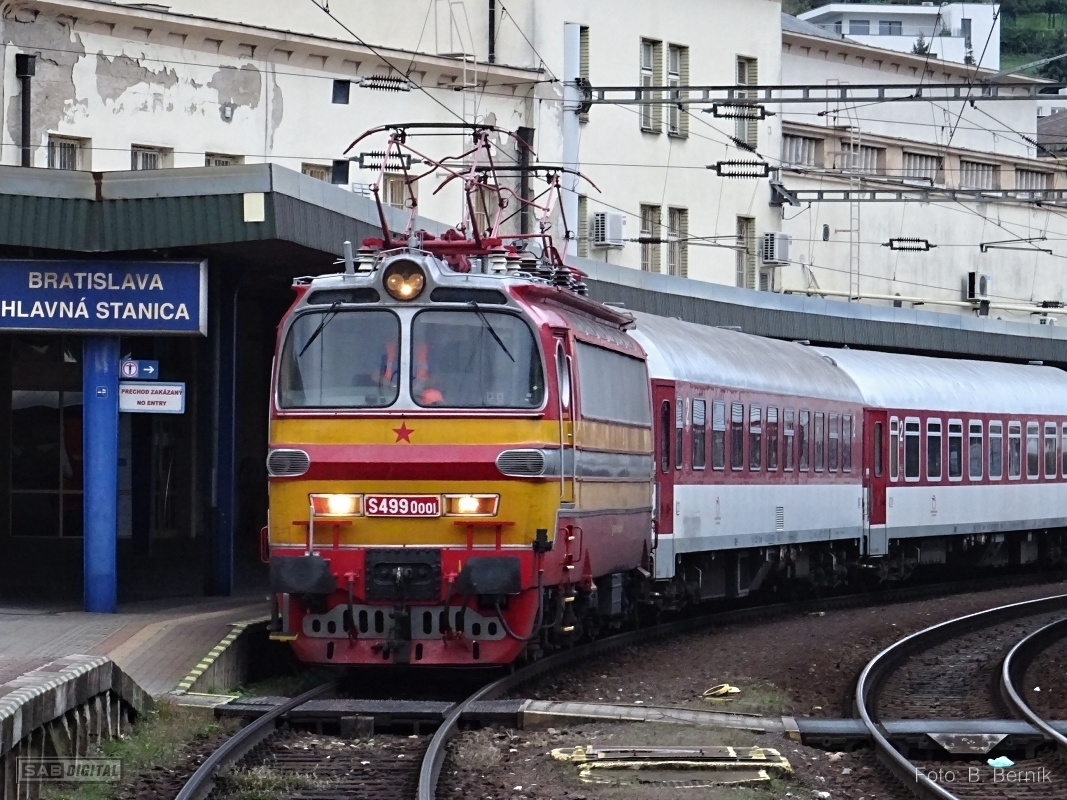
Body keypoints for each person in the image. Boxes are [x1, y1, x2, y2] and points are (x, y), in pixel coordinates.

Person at [413, 341, 445, 406]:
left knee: (433, 396)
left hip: (423, 391)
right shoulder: (395, 350)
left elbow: (436, 377)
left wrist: (422, 384)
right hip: (394, 391)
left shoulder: (429, 354)